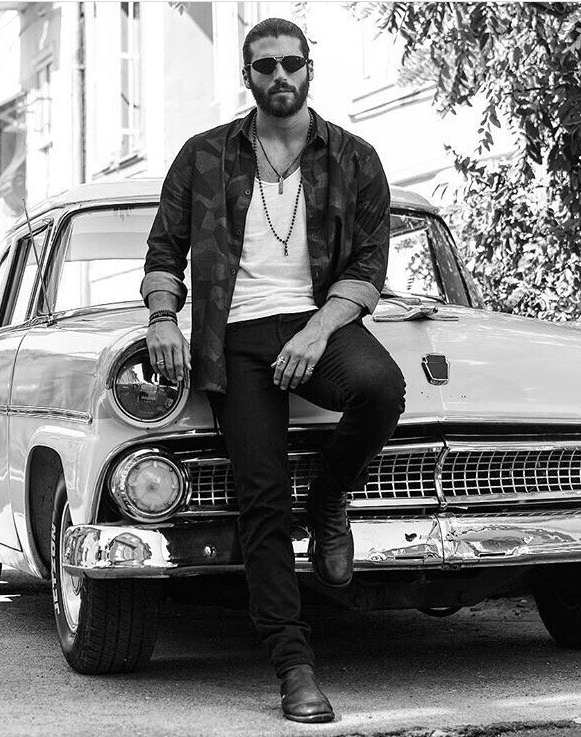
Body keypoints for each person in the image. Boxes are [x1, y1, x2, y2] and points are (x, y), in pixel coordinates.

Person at [139, 17, 406, 725]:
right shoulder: (203, 155)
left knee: (381, 388)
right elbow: (164, 248)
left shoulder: (354, 157)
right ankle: (294, 666)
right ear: (248, 76)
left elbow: (368, 266)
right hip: (233, 340)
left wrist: (318, 331)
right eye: (265, 66)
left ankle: (329, 500)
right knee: (261, 497)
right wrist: (162, 317)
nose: (279, 75)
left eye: (291, 63)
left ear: (310, 68)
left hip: (321, 324)